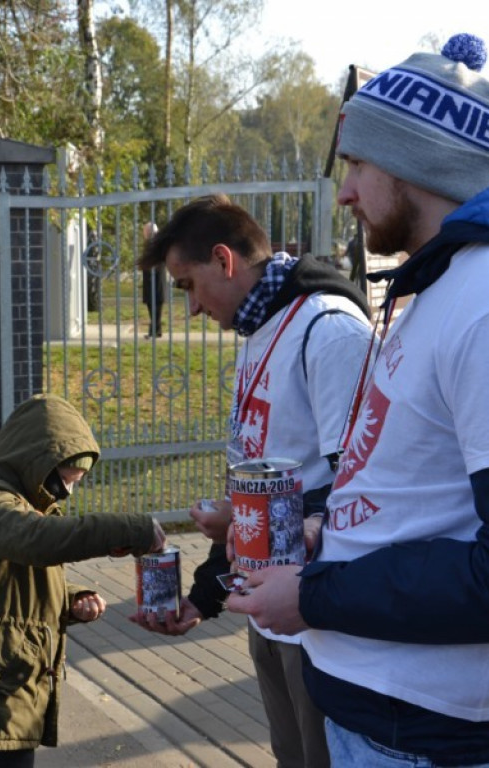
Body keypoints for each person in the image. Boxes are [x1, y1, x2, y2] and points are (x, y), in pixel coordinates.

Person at [227, 33, 489, 767]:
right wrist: (324, 536)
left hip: (429, 733)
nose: (344, 192)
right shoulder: (448, 289)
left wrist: (316, 595)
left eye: (356, 164)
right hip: (387, 716)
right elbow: (423, 494)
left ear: (413, 165)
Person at [131, 194, 373, 768]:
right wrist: (204, 596)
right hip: (268, 606)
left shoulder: (329, 331)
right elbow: (259, 478)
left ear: (224, 259)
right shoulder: (261, 329)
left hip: (319, 617)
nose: (189, 308)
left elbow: (364, 488)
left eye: (188, 285)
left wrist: (249, 519)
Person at [0, 393, 167, 767]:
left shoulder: (21, 500)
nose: (68, 492)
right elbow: (37, 542)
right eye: (65, 479)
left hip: (6, 676)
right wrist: (131, 529)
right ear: (36, 460)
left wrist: (72, 599)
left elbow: (16, 580)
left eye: (77, 483)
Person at [140, 221, 165, 338]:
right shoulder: (149, 245)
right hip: (150, 279)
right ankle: (156, 330)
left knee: (156, 306)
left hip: (156, 279)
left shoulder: (157, 245)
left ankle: (154, 331)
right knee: (152, 305)